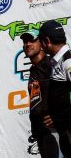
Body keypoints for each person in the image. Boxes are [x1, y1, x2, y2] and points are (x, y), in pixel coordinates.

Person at [22, 27, 61, 157]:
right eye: (25, 41)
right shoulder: (33, 70)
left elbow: (64, 92)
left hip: (54, 129)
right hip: (40, 131)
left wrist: (58, 116)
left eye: (32, 40)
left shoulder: (51, 65)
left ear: (42, 43)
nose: (27, 44)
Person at [39, 19, 71, 156]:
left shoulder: (68, 60)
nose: (41, 46)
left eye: (41, 41)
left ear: (47, 41)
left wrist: (59, 117)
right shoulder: (57, 60)